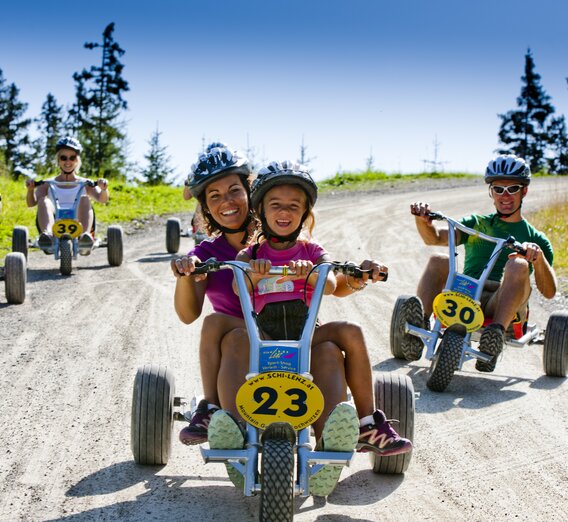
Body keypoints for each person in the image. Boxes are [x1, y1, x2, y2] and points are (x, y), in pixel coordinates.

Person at [224, 160, 412, 457]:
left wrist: (311, 273)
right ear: (260, 210)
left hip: (307, 339)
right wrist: (253, 275)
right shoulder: (251, 254)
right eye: (275, 204)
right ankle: (233, 428)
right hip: (263, 340)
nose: (284, 212)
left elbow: (332, 285)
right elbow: (237, 288)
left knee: (349, 332)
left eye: (294, 206)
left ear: (305, 213)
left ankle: (366, 423)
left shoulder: (312, 251)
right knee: (234, 337)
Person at [410, 154, 556, 372]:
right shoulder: (477, 224)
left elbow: (549, 292)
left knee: (518, 264)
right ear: (491, 192)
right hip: (465, 293)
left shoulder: (535, 238)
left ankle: (494, 337)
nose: (505, 196)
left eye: (513, 189)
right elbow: (433, 238)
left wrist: (539, 257)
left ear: (524, 191)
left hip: (500, 299)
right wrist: (423, 220)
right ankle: (417, 328)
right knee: (438, 260)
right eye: (498, 189)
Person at [25, 137, 109, 254]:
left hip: (79, 223)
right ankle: (48, 236)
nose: (68, 162)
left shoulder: (85, 183)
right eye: (63, 158)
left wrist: (103, 189)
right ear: (58, 160)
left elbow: (102, 199)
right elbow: (31, 203)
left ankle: (84, 238)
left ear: (77, 160)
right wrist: (30, 190)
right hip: (54, 224)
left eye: (72, 158)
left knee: (84, 199)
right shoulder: (47, 183)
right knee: (44, 201)